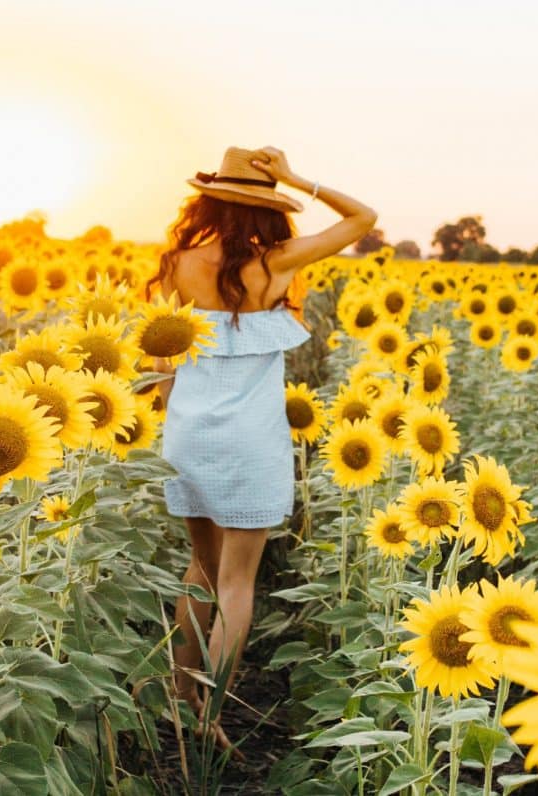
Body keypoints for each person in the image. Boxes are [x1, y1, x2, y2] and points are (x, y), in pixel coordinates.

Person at [146, 145, 377, 758]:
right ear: (270, 209)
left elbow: (159, 359)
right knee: (237, 583)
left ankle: (179, 695)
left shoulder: (178, 263)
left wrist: (171, 411)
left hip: (189, 433)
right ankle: (212, 712)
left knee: (200, 569)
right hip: (251, 440)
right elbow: (363, 218)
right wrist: (299, 179)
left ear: (210, 200)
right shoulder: (277, 263)